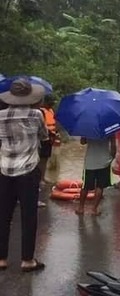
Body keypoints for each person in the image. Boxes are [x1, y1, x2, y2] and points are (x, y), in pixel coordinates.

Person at [0, 79, 48, 272]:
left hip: (4, 169)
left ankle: (1, 258)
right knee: (29, 215)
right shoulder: (36, 114)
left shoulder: (0, 115)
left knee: (3, 215)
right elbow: (44, 136)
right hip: (28, 170)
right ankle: (27, 260)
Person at [77, 135, 116, 216]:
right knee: (100, 186)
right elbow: (113, 145)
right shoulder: (109, 129)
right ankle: (94, 209)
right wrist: (112, 157)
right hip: (104, 161)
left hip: (90, 162)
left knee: (85, 186)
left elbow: (82, 142)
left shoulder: (88, 128)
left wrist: (84, 134)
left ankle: (81, 208)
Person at [38, 96, 59, 187]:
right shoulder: (41, 111)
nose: (52, 104)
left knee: (45, 159)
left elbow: (55, 123)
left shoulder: (51, 110)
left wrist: (56, 134)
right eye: (50, 102)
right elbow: (42, 126)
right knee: (41, 160)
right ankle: (40, 179)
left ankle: (43, 177)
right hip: (44, 139)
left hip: (50, 138)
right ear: (45, 102)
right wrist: (51, 134)